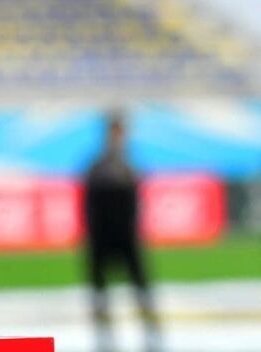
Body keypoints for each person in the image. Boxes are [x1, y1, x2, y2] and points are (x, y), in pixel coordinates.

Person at [84, 111, 160, 352]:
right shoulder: (100, 166)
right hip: (103, 235)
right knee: (100, 291)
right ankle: (104, 338)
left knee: (141, 288)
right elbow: (89, 204)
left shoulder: (128, 166)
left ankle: (151, 334)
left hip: (126, 235)